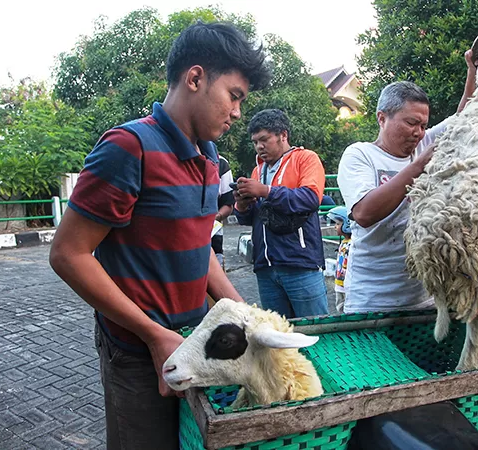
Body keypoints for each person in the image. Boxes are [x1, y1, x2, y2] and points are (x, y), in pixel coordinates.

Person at [48, 22, 270, 450]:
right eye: (234, 96)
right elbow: (68, 254)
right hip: (135, 350)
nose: (238, 112)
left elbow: (196, 246)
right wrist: (153, 334)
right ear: (195, 78)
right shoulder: (129, 147)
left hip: (191, 343)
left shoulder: (208, 158)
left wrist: (246, 315)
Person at [336, 51, 477, 313]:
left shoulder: (422, 145)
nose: (419, 132)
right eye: (411, 123)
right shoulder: (360, 155)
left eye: (424, 125)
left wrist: (472, 69)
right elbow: (364, 213)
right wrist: (419, 165)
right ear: (382, 117)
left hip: (422, 298)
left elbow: (464, 118)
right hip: (372, 300)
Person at [233, 109, 328, 318]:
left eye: (264, 139)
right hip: (265, 268)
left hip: (300, 265)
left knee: (317, 332)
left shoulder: (306, 158)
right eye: (255, 141)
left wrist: (265, 191)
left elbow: (310, 198)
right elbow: (251, 219)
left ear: (283, 135)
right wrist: (242, 204)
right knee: (278, 338)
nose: (259, 146)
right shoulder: (258, 171)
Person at [211, 154, 236, 268]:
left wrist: (215, 217)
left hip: (213, 239)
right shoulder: (172, 156)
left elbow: (228, 204)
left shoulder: (220, 163)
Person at [327, 206, 352, 313]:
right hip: (339, 284)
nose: (334, 227)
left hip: (347, 285)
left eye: (337, 224)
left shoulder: (352, 243)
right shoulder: (344, 242)